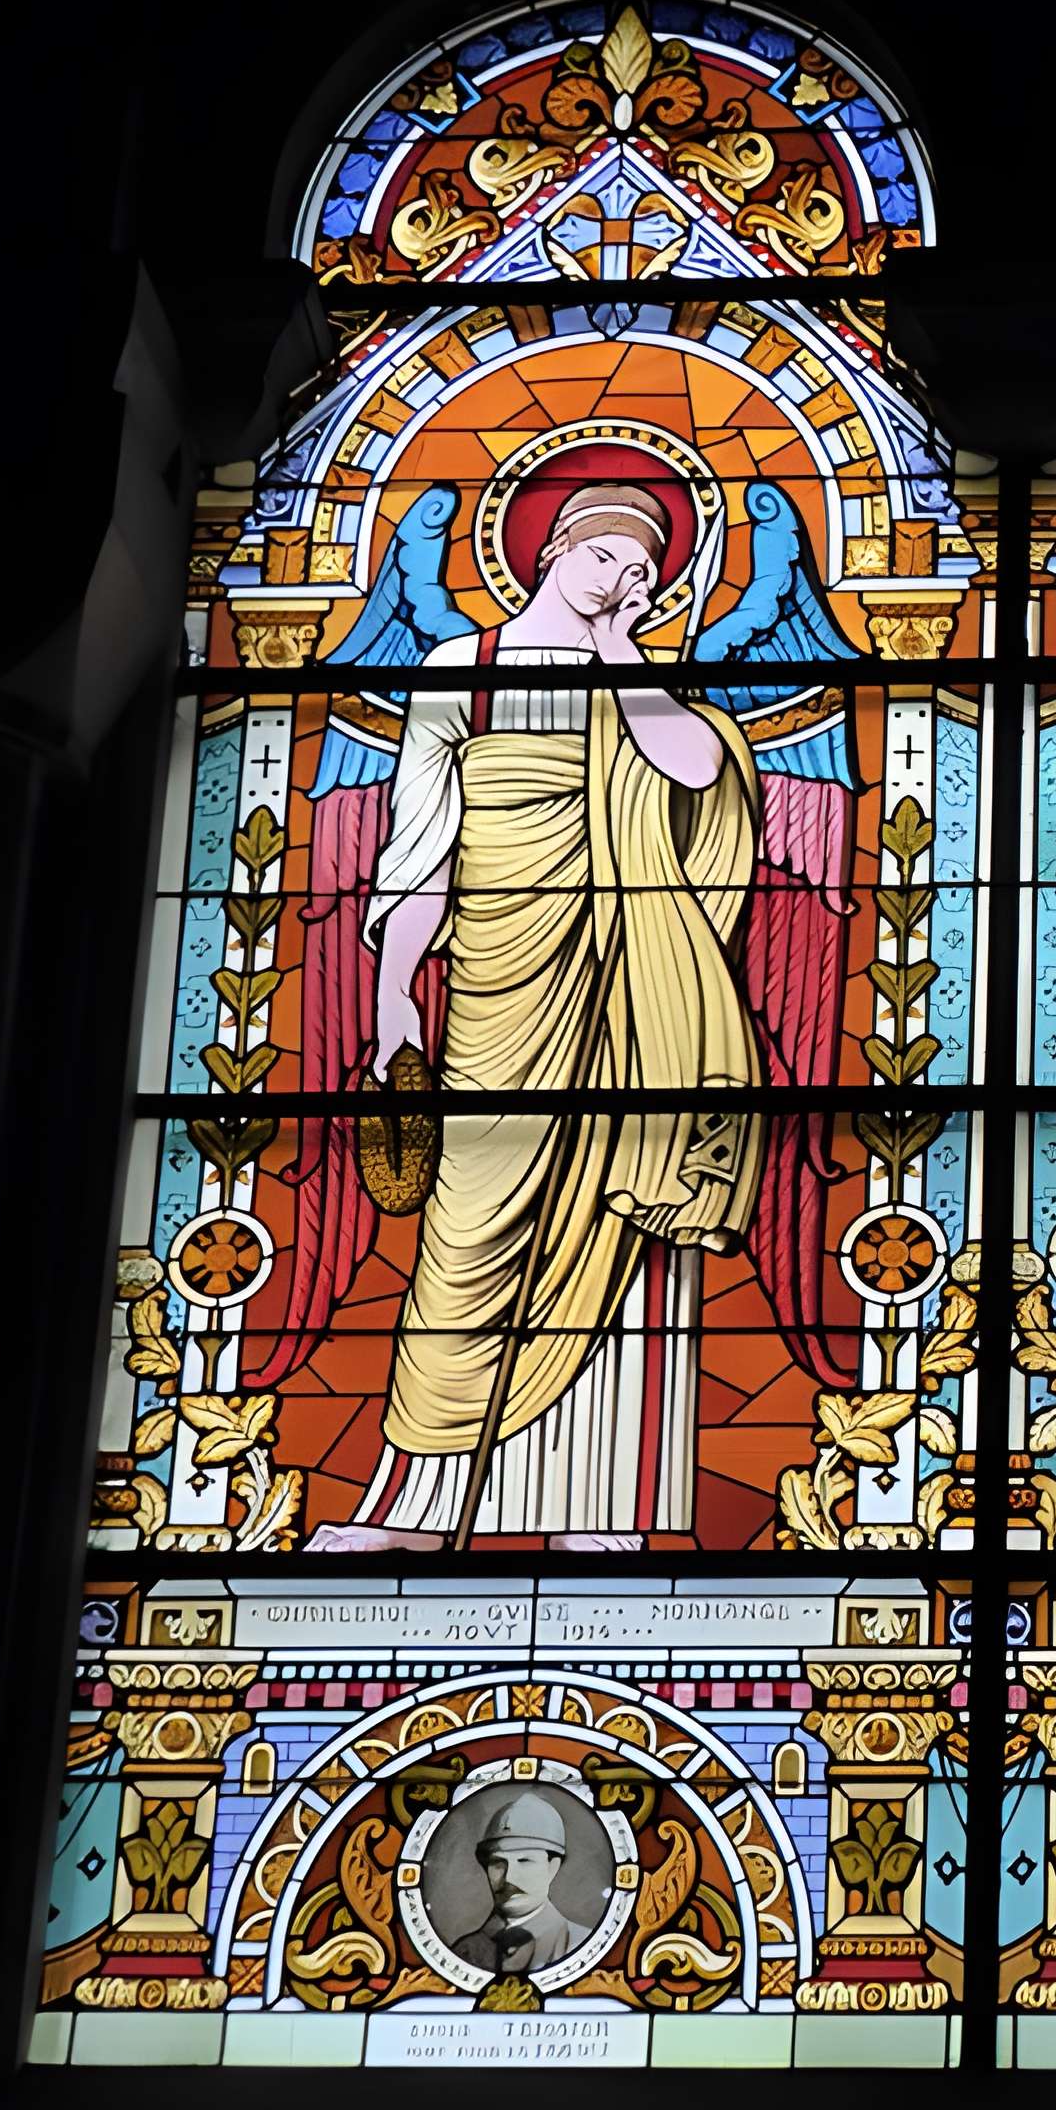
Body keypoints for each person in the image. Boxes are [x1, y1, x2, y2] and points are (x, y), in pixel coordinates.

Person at [316, 480, 762, 1549]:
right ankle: (418, 1501)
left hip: (624, 980)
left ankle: (596, 1504)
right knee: (465, 1227)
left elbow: (698, 768)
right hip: (495, 978)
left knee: (618, 1214)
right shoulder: (457, 676)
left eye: (643, 571)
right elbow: (421, 846)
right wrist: (392, 995)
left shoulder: (646, 682)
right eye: (603, 557)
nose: (621, 582)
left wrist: (622, 655)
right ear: (551, 551)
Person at [448, 1791, 595, 1975]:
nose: (510, 1878)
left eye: (525, 1861)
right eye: (498, 1863)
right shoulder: (464, 1952)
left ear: (552, 1867)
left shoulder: (584, 1946)